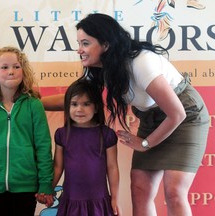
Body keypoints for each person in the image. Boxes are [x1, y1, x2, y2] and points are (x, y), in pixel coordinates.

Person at [42, 13, 209, 216]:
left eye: (85, 43)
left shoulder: (140, 62)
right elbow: (71, 99)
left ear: (106, 44)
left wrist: (145, 143)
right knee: (140, 189)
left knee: (174, 192)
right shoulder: (99, 69)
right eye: (79, 43)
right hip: (151, 119)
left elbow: (176, 114)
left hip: (185, 117)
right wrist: (31, 103)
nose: (80, 50)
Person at [0, 46, 54, 216]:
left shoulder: (34, 105)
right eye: (4, 67)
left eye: (16, 66)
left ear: (24, 70)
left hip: (26, 186)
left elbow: (43, 147)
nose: (11, 71)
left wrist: (45, 184)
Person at [52, 79, 122, 216]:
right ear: (67, 107)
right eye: (74, 104)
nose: (79, 109)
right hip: (70, 200)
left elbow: (112, 167)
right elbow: (57, 167)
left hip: (98, 202)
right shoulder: (62, 134)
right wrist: (48, 190)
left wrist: (114, 198)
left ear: (96, 107)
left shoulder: (107, 135)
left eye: (86, 104)